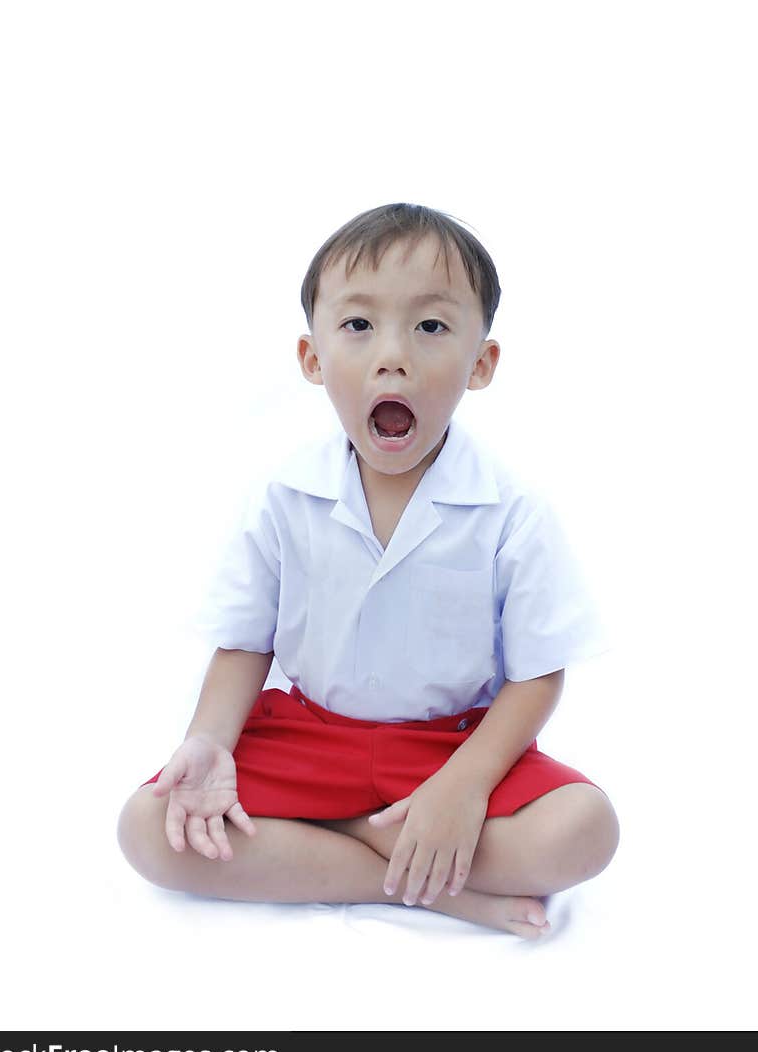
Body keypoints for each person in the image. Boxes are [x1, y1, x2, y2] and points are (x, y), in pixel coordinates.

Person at [117, 202, 619, 939]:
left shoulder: (513, 510)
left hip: (449, 746)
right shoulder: (285, 496)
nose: (394, 354)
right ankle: (416, 875)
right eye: (359, 325)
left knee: (587, 829)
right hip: (312, 738)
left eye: (431, 326)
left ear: (481, 363)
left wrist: (465, 785)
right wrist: (209, 740)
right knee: (149, 825)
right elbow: (244, 644)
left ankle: (360, 839)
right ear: (312, 357)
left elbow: (538, 674)